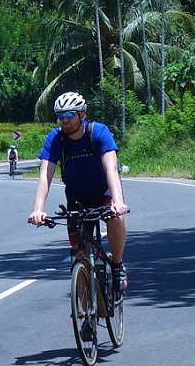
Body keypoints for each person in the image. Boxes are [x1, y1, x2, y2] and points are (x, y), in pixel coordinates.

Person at [27, 91, 130, 294]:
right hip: (77, 198)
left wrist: (118, 201)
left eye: (68, 115)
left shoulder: (98, 132)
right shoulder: (55, 139)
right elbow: (44, 177)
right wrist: (38, 209)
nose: (63, 120)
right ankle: (85, 322)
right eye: (59, 116)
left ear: (82, 114)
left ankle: (117, 265)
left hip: (103, 192)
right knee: (79, 259)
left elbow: (111, 169)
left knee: (116, 218)